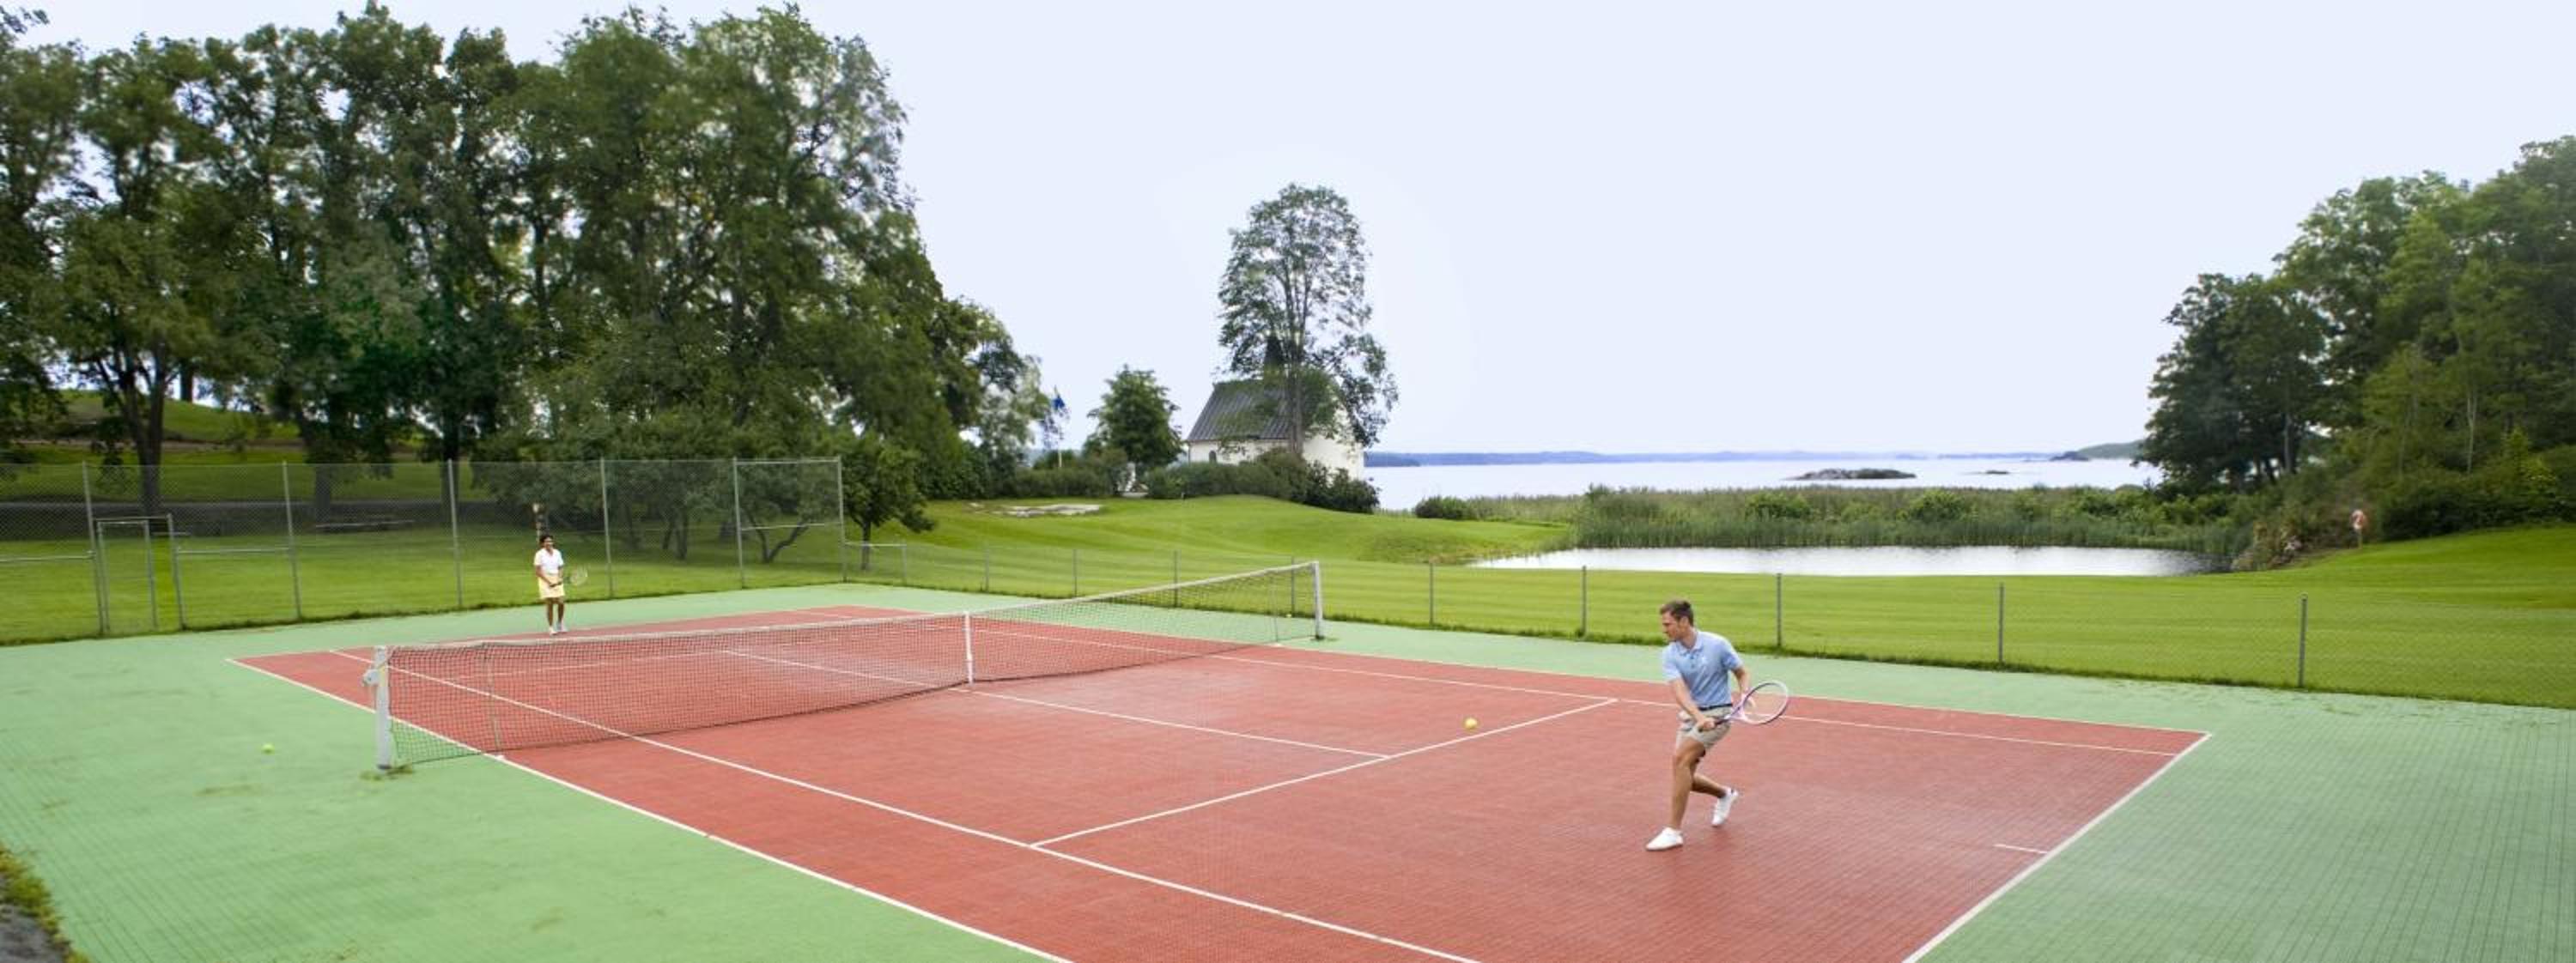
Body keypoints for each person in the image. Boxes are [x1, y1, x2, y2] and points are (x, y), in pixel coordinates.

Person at [1646, 598, 1750, 852]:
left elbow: (1741, 673)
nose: (1664, 629)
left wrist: (1745, 694)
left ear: (1684, 621)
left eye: (1667, 624)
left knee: (1680, 760)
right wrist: (1698, 717)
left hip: (1720, 712)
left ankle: (1673, 832)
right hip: (1693, 716)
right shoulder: (1669, 653)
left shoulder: (1717, 644)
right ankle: (1725, 794)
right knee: (1684, 777)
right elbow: (1679, 692)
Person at [532, 533, 568, 634]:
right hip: (544, 579)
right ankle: (551, 627)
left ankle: (560, 623)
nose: (549, 543)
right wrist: (549, 582)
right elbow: (537, 571)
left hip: (556, 578)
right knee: (550, 604)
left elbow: (560, 567)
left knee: (561, 602)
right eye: (547, 541)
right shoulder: (539, 554)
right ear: (542, 543)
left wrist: (559, 578)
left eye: (550, 541)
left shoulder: (557, 553)